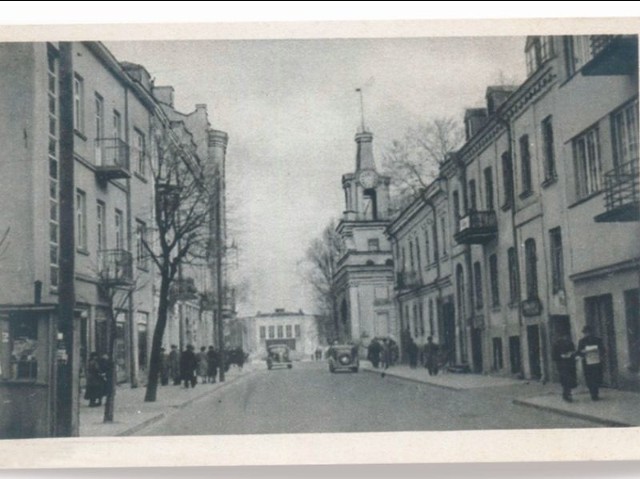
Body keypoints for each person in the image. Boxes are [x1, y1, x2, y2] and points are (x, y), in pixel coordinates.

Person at [576, 326, 605, 401]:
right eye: (586, 333)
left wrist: (599, 352)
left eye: (589, 332)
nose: (587, 334)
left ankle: (595, 392)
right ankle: (593, 394)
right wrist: (583, 352)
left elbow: (603, 350)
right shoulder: (582, 341)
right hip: (587, 362)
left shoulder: (598, 340)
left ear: (592, 332)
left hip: (596, 361)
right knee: (589, 378)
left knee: (597, 377)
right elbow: (579, 352)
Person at [552, 333, 577, 402]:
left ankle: (567, 394)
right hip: (562, 365)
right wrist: (561, 356)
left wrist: (571, 354)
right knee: (565, 380)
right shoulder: (556, 344)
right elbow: (554, 356)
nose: (565, 338)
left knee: (569, 380)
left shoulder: (570, 343)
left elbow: (574, 352)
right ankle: (567, 394)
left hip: (570, 364)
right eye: (563, 336)